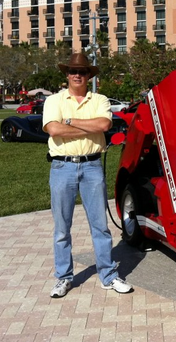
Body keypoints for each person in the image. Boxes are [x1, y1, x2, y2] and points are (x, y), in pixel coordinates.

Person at [42, 53, 133, 298]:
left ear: (88, 75)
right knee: (62, 228)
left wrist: (69, 121)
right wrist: (85, 125)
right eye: (73, 71)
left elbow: (104, 125)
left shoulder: (100, 99)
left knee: (100, 227)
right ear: (67, 75)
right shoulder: (53, 100)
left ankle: (108, 276)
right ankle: (63, 277)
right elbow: (53, 129)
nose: (77, 75)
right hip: (62, 167)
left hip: (92, 166)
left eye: (82, 71)